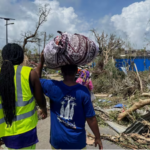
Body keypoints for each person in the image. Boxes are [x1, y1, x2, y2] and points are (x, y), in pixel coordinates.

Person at [35, 53, 103, 150]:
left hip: (58, 141)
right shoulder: (83, 91)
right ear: (76, 71)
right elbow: (91, 119)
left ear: (61, 71)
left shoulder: (52, 86)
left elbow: (35, 80)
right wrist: (98, 137)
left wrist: (41, 61)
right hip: (77, 142)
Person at [0, 43, 47, 149]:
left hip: (4, 132)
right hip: (26, 130)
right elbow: (40, 98)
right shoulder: (29, 73)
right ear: (21, 57)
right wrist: (43, 109)